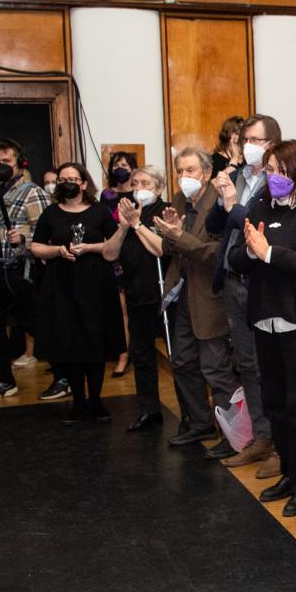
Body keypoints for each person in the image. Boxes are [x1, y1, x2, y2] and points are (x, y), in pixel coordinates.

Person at [225, 141, 296, 517]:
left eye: (279, 170)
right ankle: (290, 470)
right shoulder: (260, 206)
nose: (272, 177)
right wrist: (253, 253)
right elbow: (237, 258)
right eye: (269, 170)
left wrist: (271, 253)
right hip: (265, 317)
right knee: (275, 403)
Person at [28, 162, 127, 423]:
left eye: (73, 178)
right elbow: (36, 247)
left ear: (84, 183)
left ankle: (95, 400)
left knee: (94, 341)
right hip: (61, 284)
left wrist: (90, 248)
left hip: (95, 283)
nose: (67, 183)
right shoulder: (50, 213)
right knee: (68, 341)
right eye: (62, 179)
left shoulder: (99, 211)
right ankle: (78, 401)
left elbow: (113, 245)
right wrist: (58, 251)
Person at [207, 113, 280, 466]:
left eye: (256, 140)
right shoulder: (237, 176)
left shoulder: (278, 181)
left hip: (261, 283)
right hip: (233, 282)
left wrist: (234, 203)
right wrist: (222, 197)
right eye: (244, 139)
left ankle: (281, 441)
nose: (248, 145)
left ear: (273, 145)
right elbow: (214, 224)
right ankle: (261, 436)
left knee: (269, 364)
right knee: (248, 364)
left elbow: (253, 226)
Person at [155, 147, 234, 451]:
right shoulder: (178, 201)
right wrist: (169, 234)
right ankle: (201, 424)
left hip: (212, 296)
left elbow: (217, 252)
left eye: (190, 171)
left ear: (206, 172)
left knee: (216, 369)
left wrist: (178, 236)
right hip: (183, 293)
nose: (184, 177)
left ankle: (233, 435)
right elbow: (170, 248)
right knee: (183, 362)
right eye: (179, 172)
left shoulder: (220, 202)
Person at [0, 138, 49, 401]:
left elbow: (45, 232)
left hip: (18, 271)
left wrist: (21, 237)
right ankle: (4, 380)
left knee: (35, 324)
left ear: (19, 163)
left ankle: (64, 375)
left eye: (7, 161)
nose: (1, 166)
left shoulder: (31, 192)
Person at [116, 166, 170, 432]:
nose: (139, 187)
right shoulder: (126, 214)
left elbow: (161, 250)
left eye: (145, 182)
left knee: (176, 356)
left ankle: (191, 415)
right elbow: (112, 252)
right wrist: (125, 225)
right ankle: (149, 410)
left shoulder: (166, 211)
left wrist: (137, 224)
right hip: (136, 292)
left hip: (163, 295)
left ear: (159, 187)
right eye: (135, 182)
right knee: (142, 354)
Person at [100, 149, 137, 379]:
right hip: (114, 251)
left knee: (132, 307)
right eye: (115, 165)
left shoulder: (139, 193)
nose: (120, 169)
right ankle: (122, 352)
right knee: (119, 307)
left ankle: (130, 352)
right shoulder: (107, 195)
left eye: (124, 164)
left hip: (134, 252)